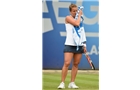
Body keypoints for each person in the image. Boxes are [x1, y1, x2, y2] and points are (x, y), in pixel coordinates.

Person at [57, 3, 87, 89]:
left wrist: (84, 44)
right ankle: (62, 83)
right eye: (73, 11)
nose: (75, 12)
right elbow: (76, 24)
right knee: (66, 63)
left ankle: (72, 83)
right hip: (69, 44)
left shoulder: (79, 19)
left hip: (79, 45)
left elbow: (82, 32)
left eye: (76, 11)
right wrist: (79, 16)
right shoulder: (68, 18)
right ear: (70, 11)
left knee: (76, 64)